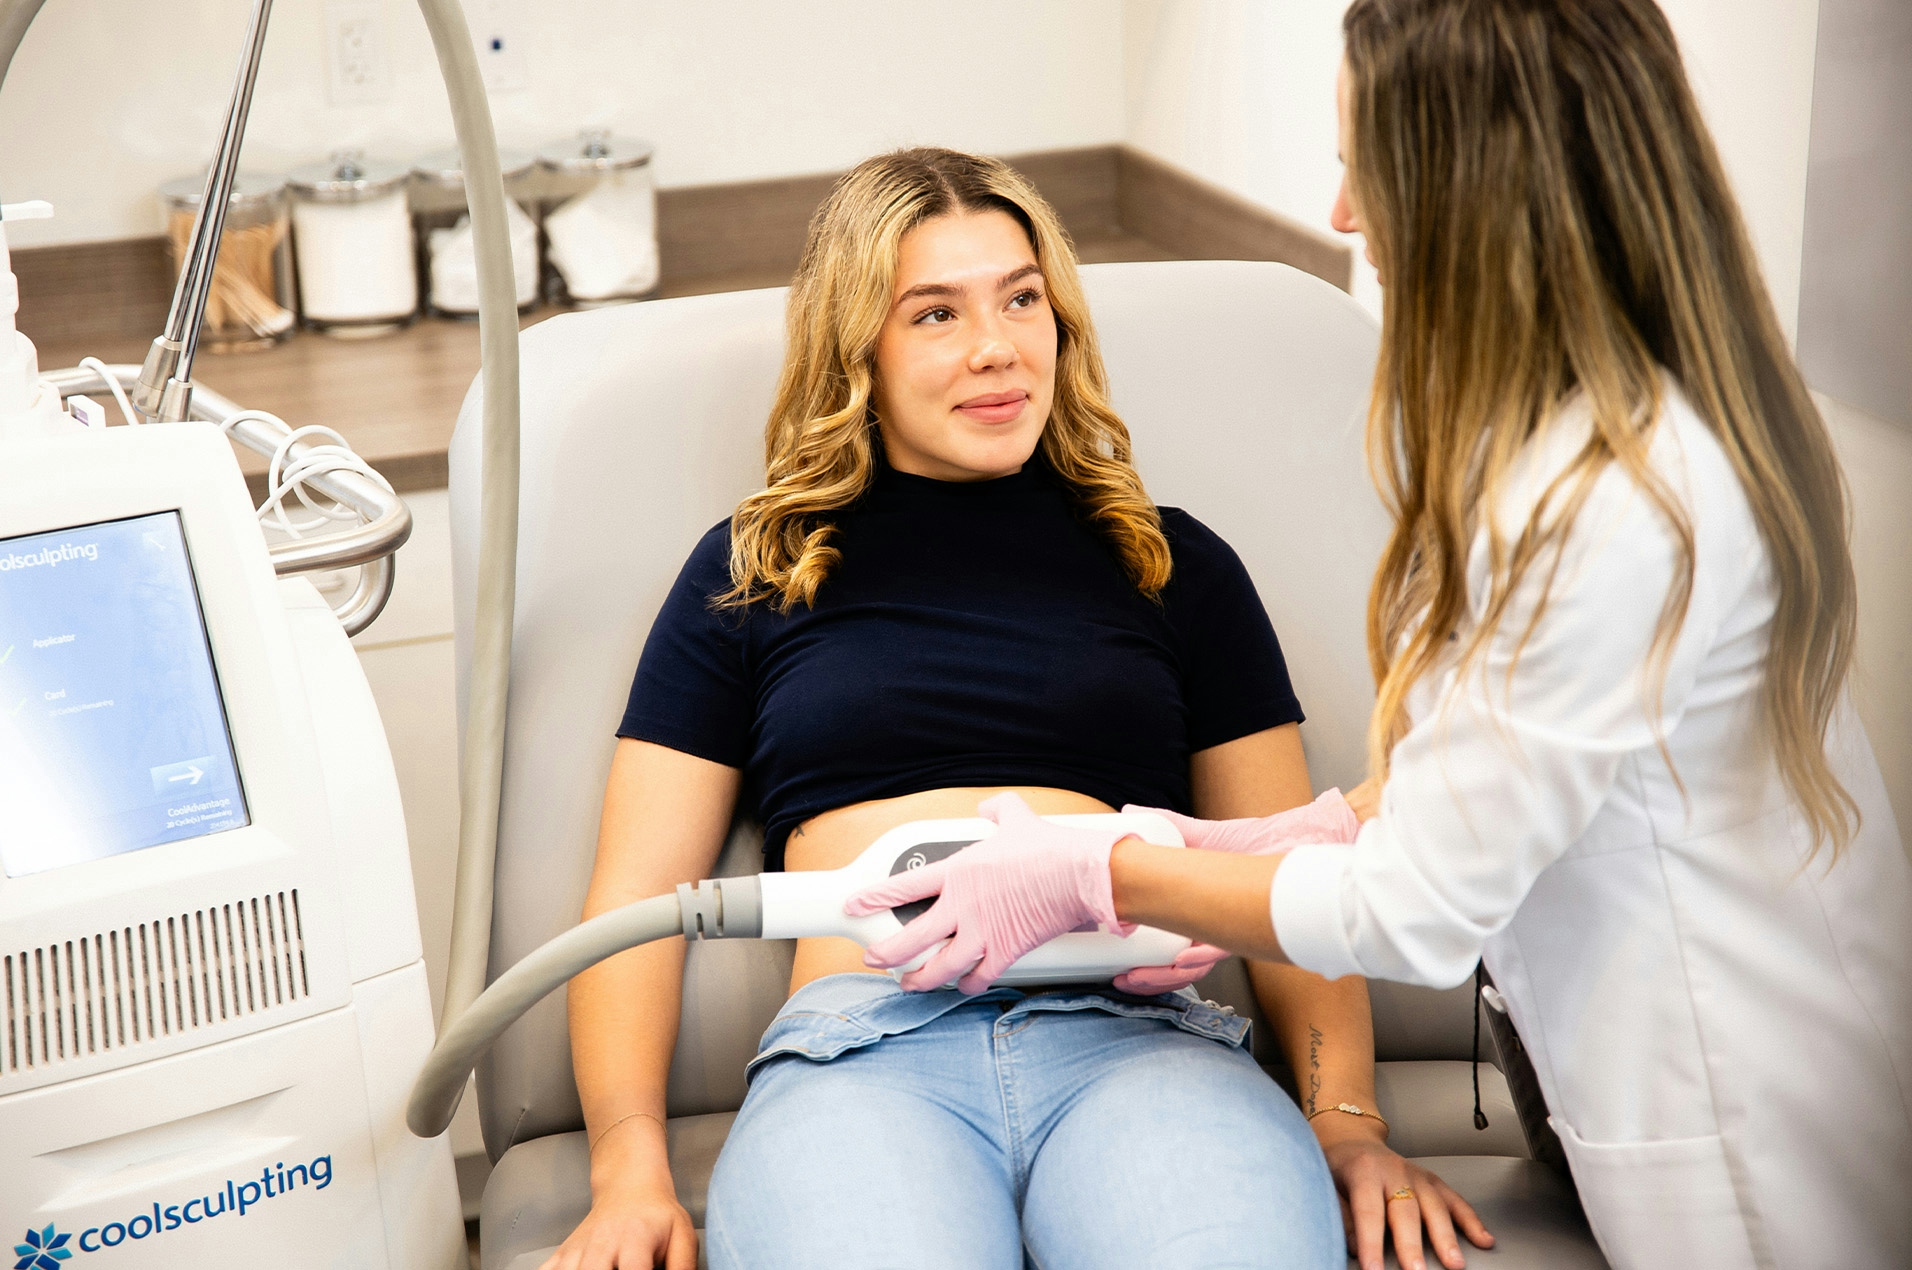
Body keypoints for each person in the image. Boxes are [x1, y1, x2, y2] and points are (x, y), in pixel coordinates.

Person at [851, 5, 1912, 1269]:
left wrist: (1105, 873)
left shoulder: (1611, 507)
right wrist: (1276, 836)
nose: (1344, 212)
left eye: (1363, 162)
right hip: (1667, 1047)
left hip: (1732, 1098)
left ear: (1472, 185)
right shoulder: (1594, 439)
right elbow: (1497, 770)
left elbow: (1416, 912)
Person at [544, 146, 1484, 1270]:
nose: (996, 346)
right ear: (860, 351)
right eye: (934, 313)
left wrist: (1346, 1125)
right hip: (863, 1054)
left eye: (1021, 298)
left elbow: (1292, 877)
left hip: (1142, 1049)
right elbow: (639, 896)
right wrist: (629, 1170)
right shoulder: (754, 573)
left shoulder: (1172, 565)